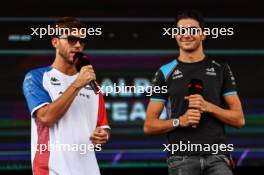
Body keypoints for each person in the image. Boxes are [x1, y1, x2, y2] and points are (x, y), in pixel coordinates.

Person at [144, 10, 245, 175]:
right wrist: (179, 121)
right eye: (180, 31)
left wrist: (208, 107)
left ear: (203, 34)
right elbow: (149, 126)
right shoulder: (164, 72)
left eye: (192, 30)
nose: (186, 35)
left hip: (218, 158)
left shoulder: (221, 69)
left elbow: (239, 119)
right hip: (181, 158)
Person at [22, 17, 110, 175]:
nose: (78, 45)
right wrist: (77, 84)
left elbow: (102, 128)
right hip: (51, 170)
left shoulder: (93, 85)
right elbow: (46, 118)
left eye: (82, 41)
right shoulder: (36, 77)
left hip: (90, 170)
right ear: (55, 42)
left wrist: (103, 136)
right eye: (71, 39)